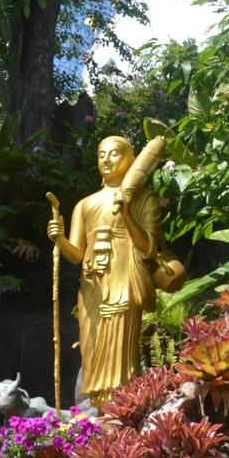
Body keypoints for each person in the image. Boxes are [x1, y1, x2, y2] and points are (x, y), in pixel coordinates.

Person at [48, 136, 183, 405]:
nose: (106, 160)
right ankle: (98, 405)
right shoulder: (84, 205)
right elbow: (76, 254)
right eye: (101, 154)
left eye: (114, 154)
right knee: (92, 345)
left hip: (123, 276)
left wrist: (127, 215)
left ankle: (121, 405)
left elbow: (149, 247)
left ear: (131, 160)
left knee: (119, 345)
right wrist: (60, 238)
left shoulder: (143, 199)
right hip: (92, 283)